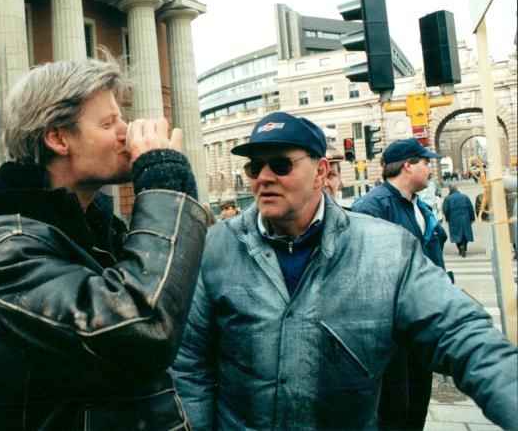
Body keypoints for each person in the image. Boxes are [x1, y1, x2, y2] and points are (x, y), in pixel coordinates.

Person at [171, 112, 517, 430]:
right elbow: (188, 367)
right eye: (253, 167)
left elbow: (460, 333)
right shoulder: (214, 248)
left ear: (321, 171)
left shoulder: (386, 248)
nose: (263, 177)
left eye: (280, 164)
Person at [0, 56, 208, 430]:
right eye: (108, 122)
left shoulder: (95, 227)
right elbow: (141, 330)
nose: (126, 132)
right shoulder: (3, 246)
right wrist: (164, 180)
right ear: (58, 138)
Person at [351, 138, 448, 429]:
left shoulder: (419, 206)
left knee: (418, 400)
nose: (431, 168)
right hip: (392, 334)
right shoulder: (371, 207)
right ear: (408, 165)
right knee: (395, 409)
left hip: (421, 325)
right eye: (426, 162)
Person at [443, 185, 475, 257]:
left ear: (450, 190)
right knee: (465, 233)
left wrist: (447, 218)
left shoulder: (447, 199)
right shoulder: (465, 197)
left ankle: (460, 247)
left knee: (456, 234)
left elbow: (445, 210)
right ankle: (464, 246)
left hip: (453, 219)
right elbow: (470, 208)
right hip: (465, 218)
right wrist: (472, 218)